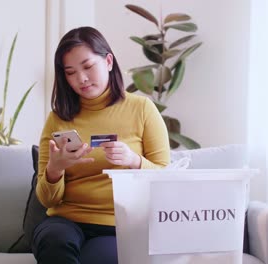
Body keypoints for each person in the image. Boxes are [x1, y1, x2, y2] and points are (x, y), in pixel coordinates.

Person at [32, 26, 170, 264]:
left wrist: (134, 161)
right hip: (65, 221)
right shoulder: (58, 118)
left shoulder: (142, 109)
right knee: (54, 241)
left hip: (117, 223)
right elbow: (48, 200)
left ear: (108, 61)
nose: (81, 79)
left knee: (101, 256)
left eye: (87, 67)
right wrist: (55, 170)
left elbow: (166, 179)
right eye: (70, 72)